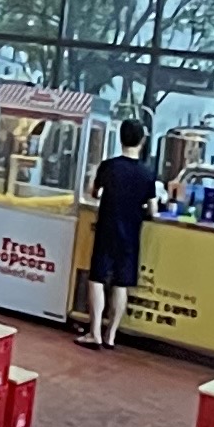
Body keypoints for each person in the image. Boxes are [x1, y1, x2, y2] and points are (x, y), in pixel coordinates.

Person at [81, 119, 155, 347]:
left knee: (97, 278)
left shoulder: (109, 166)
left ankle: (94, 332)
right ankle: (111, 335)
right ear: (142, 141)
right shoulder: (147, 173)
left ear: (121, 138)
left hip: (106, 229)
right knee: (121, 284)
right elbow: (153, 210)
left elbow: (93, 193)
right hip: (130, 234)